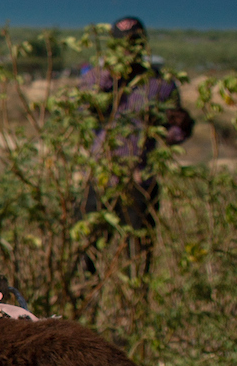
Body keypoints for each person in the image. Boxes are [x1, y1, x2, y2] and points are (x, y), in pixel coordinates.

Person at [75, 15, 193, 257]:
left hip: (140, 181)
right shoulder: (96, 78)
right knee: (85, 258)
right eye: (122, 44)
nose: (129, 49)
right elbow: (78, 116)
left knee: (138, 257)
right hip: (99, 180)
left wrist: (180, 126)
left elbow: (173, 133)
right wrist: (111, 79)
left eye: (135, 43)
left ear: (144, 45)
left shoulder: (161, 84)